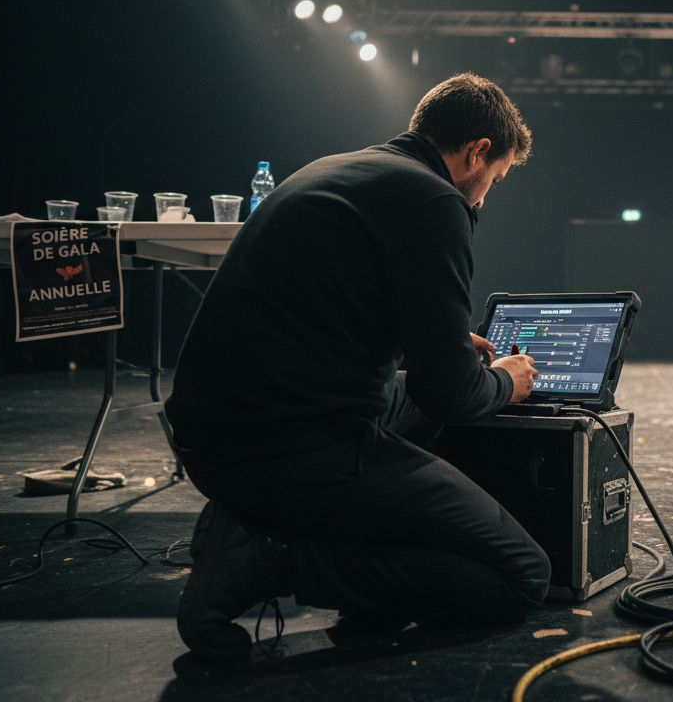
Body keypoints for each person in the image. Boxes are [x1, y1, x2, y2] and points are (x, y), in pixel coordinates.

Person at [165, 73, 550, 661]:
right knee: (522, 575)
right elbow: (450, 394)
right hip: (294, 447)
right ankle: (271, 559)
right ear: (477, 152)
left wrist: (442, 341)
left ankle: (298, 539)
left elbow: (328, 320)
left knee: (413, 396)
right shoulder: (435, 202)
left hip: (213, 435)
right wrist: (505, 381)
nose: (483, 200)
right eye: (493, 181)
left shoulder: (335, 171)